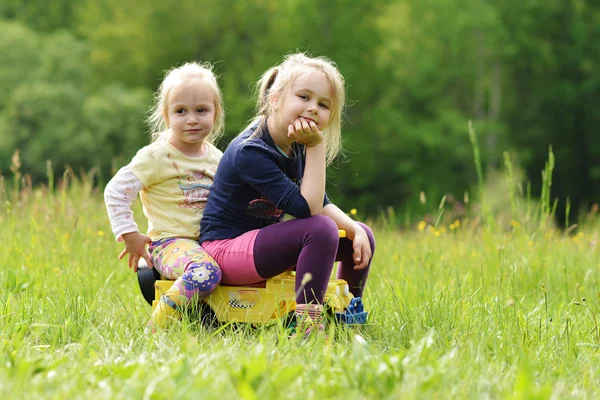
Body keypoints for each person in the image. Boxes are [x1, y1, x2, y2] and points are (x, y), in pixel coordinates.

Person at [200, 53, 375, 335]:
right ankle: (307, 323)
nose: (313, 108)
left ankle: (347, 312)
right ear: (275, 99)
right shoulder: (252, 151)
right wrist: (317, 148)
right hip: (224, 251)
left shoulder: (296, 144)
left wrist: (356, 230)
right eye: (303, 97)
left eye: (323, 104)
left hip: (258, 248)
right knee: (320, 230)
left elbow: (321, 202)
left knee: (360, 235)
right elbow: (307, 210)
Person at [104, 62, 225, 330]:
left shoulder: (218, 158)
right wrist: (130, 234)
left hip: (209, 242)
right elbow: (116, 192)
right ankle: (157, 325)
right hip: (170, 243)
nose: (192, 118)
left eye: (201, 110)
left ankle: (220, 322)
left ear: (215, 114)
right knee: (205, 272)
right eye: (181, 111)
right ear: (166, 115)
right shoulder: (156, 156)